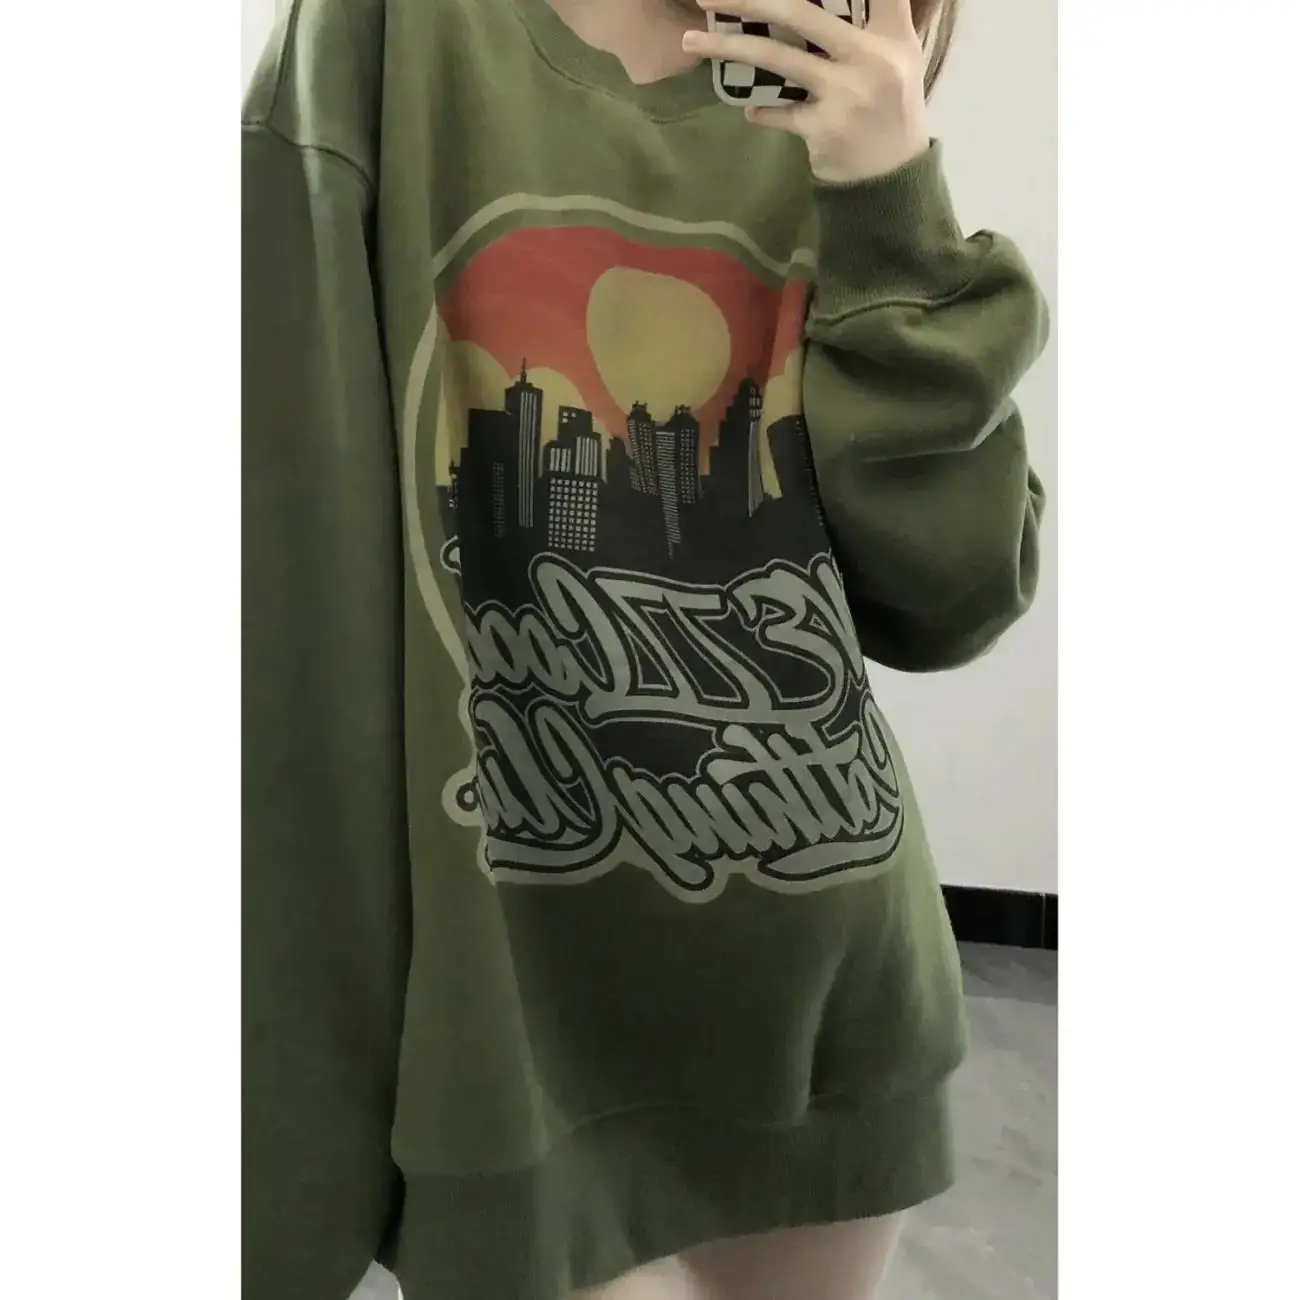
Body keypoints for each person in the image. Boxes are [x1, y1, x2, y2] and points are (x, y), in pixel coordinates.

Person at [241, 0, 1047, 1297]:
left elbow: (951, 597)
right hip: (513, 1032)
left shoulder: (846, 73)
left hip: (831, 990)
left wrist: (891, 198)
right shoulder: (394, 36)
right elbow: (294, 614)